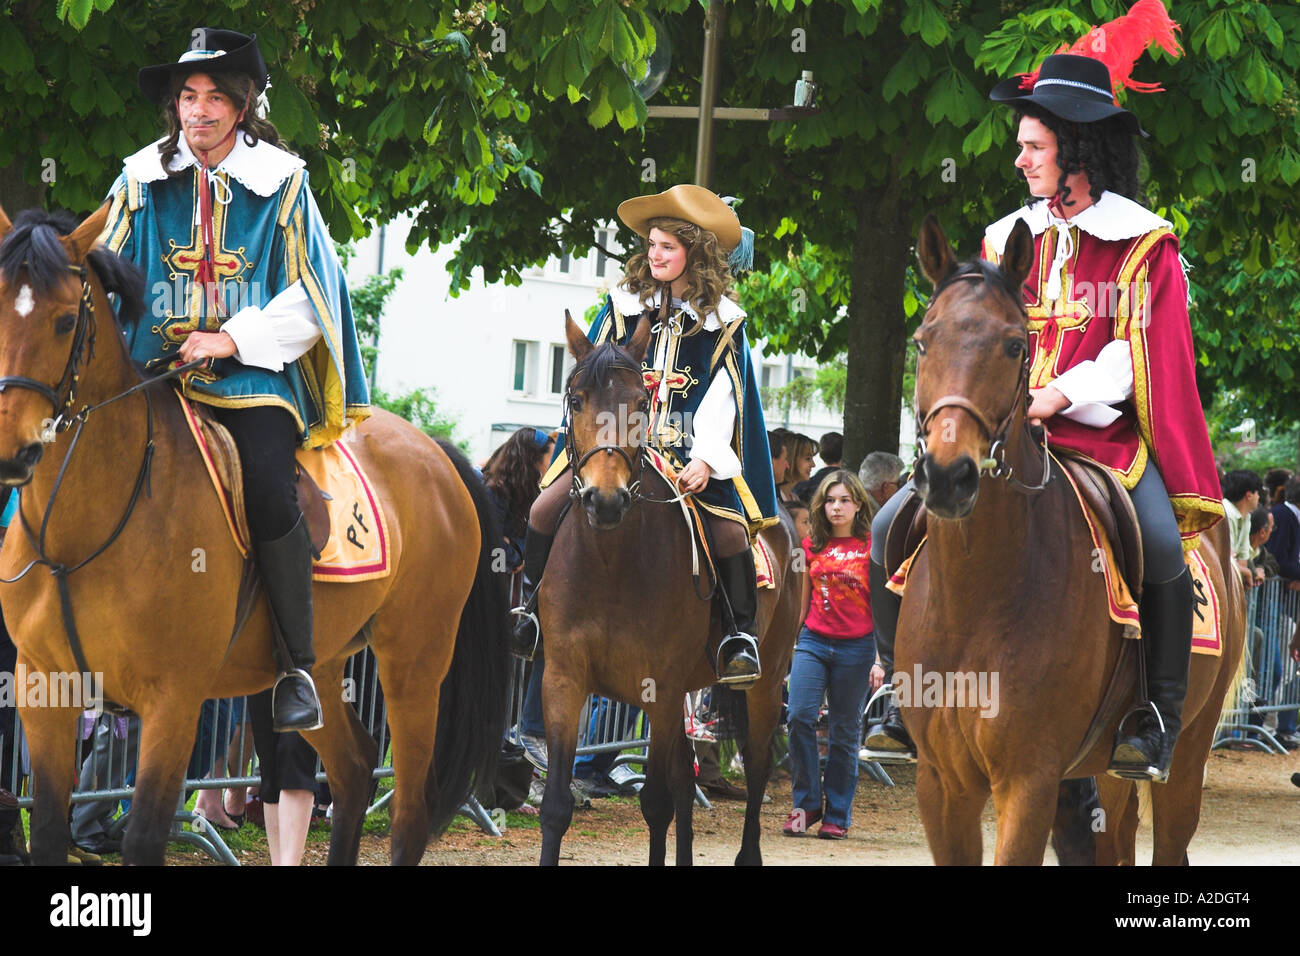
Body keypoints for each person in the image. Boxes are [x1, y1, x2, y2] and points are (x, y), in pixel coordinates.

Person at [867, 24, 1223, 783]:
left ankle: (1153, 716)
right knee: (891, 522)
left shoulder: (1142, 243)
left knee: (1159, 544)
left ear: (1078, 150)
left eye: (1034, 146)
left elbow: (1140, 352)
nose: (1021, 159)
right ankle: (900, 702)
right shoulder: (1005, 239)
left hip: (1099, 437)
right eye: (1021, 146)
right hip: (998, 433)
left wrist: (1060, 390)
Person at [104, 28, 369, 862]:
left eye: (216, 97)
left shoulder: (283, 182)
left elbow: (314, 294)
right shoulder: (140, 179)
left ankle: (295, 665)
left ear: (244, 105)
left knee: (264, 482)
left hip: (252, 380)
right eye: (188, 97)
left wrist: (231, 337)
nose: (200, 112)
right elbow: (103, 273)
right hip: (153, 374)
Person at [510, 184, 779, 687]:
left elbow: (725, 397)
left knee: (727, 530)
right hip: (613, 438)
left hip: (685, 449)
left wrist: (707, 459)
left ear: (692, 253)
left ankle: (738, 637)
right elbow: (587, 373)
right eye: (652, 245)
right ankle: (529, 612)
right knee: (543, 508)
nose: (656, 255)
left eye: (668, 247)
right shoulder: (621, 305)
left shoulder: (723, 322)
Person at [783, 470, 880, 839]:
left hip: (858, 647)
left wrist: (879, 659)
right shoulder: (810, 546)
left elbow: (883, 605)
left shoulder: (872, 546)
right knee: (799, 716)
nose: (836, 507)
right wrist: (789, 649)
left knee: (843, 731)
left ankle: (837, 813)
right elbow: (802, 601)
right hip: (813, 641)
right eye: (829, 500)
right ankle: (806, 804)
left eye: (844, 500)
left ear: (857, 504)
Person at [1222, 470, 1264, 589]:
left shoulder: (1246, 517)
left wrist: (1243, 571)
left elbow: (1242, 560)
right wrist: (1247, 572)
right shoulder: (1225, 513)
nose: (1259, 497)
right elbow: (1225, 561)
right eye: (1257, 493)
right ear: (1249, 495)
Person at [857, 451, 905, 521]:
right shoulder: (878, 518)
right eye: (898, 483)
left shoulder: (856, 502)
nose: (900, 489)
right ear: (885, 488)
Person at [795, 431, 843, 501]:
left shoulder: (803, 486)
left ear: (820, 454)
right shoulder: (850, 484)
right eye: (808, 458)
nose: (813, 464)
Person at [779, 433, 817, 505]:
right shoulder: (773, 500)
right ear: (790, 459)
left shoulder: (794, 498)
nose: (813, 465)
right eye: (808, 459)